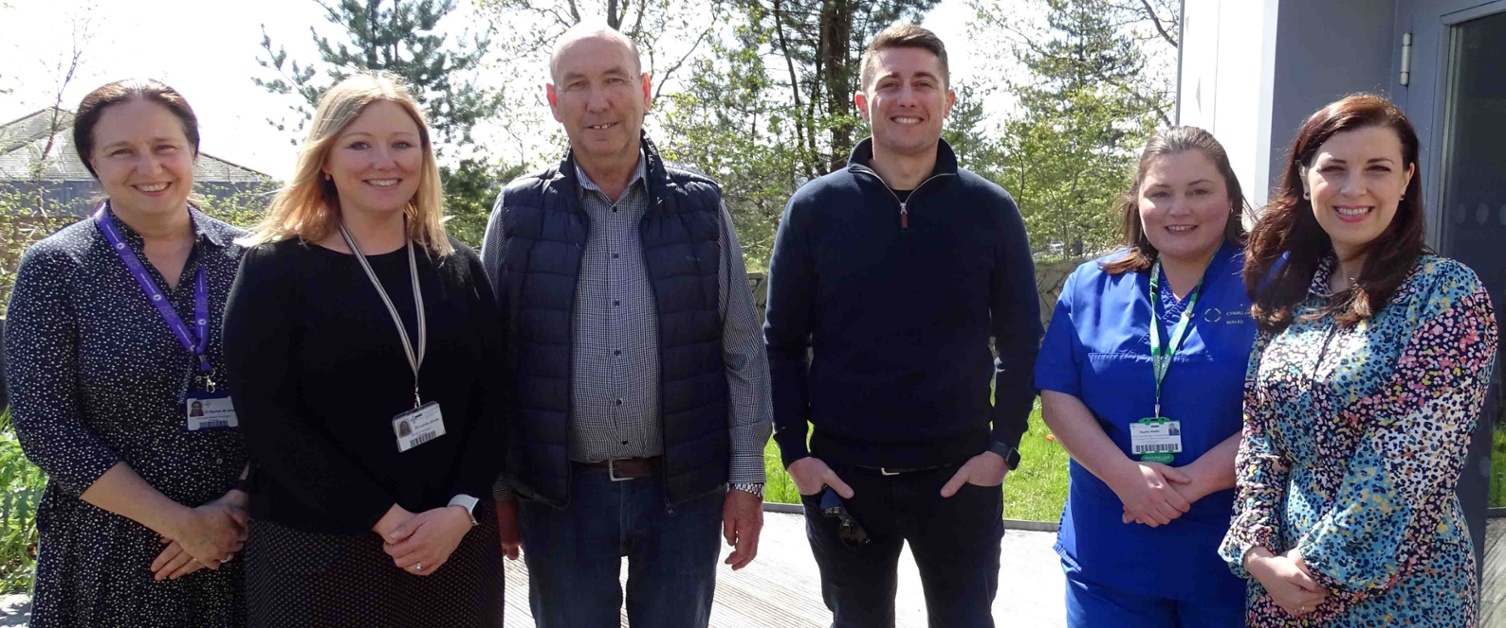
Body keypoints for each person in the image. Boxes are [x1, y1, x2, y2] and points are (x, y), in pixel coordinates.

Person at [479, 22, 772, 628]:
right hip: (559, 498)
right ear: (554, 101)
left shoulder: (701, 209)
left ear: (643, 89)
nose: (599, 101)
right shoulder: (517, 213)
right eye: (577, 85)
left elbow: (741, 350)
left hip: (681, 493)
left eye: (614, 80)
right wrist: (500, 489)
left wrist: (745, 477)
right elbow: (491, 365)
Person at [762, 24, 1041, 627]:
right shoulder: (814, 210)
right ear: (864, 101)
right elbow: (780, 343)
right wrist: (794, 454)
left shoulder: (990, 211)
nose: (907, 98)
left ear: (948, 100)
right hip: (844, 478)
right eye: (890, 84)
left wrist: (1002, 449)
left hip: (960, 479)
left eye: (924, 83)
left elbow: (1021, 342)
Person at [224, 73, 506, 628]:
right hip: (319, 554)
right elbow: (268, 421)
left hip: (452, 545)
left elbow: (494, 402)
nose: (385, 160)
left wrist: (462, 508)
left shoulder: (457, 266)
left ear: (423, 157)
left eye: (402, 144)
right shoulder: (275, 269)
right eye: (360, 144)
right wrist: (388, 520)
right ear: (325, 159)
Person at [1219, 93, 1498, 626]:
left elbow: (1406, 465)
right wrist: (1255, 553)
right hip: (1281, 583)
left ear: (1406, 178)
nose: (1354, 189)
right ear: (1305, 178)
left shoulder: (1445, 293)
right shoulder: (1292, 291)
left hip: (1399, 589)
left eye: (1377, 169)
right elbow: (1259, 434)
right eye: (1334, 168)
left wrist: (1308, 571)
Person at [4, 79, 249, 627]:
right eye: (122, 152)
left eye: (165, 146)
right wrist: (181, 522)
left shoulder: (252, 259)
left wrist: (237, 505)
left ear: (192, 151)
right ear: (93, 161)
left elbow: (291, 395)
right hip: (113, 552)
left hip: (247, 541)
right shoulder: (55, 269)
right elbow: (45, 424)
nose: (149, 166)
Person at [1034, 127, 1252, 627]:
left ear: (1230, 196)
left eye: (1199, 191)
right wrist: (1125, 478)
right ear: (1138, 201)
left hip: (1232, 552)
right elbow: (1057, 393)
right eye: (1161, 193)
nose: (1180, 209)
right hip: (1111, 547)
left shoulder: (1273, 284)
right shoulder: (1093, 283)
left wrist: (1185, 487)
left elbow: (1287, 409)